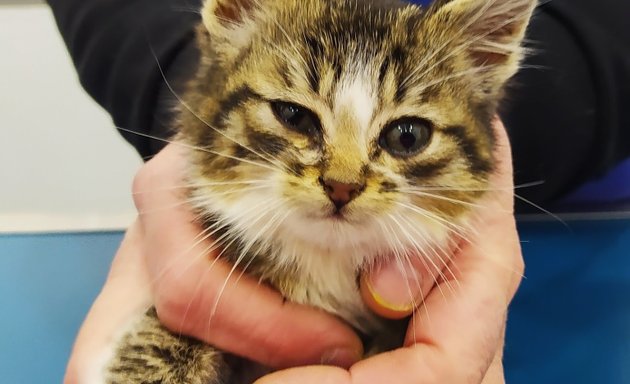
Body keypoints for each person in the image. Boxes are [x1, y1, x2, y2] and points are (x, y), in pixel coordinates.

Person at [46, 0, 630, 383]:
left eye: (405, 135)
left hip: (577, 260)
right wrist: (188, 95)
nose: (343, 179)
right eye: (297, 117)